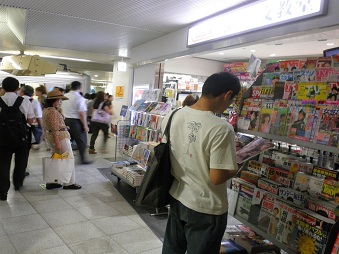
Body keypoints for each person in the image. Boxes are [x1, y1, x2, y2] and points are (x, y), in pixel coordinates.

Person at [161, 72, 241, 254]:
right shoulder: (221, 128)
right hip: (206, 206)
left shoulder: (173, 116)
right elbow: (217, 177)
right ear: (227, 95)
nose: (230, 105)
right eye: (232, 100)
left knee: (172, 250)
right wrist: (236, 166)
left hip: (177, 196)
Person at [0, 77, 34, 200]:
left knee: (3, 165)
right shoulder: (24, 101)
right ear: (17, 88)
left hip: (2, 139)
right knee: (21, 162)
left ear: (3, 87)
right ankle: (18, 184)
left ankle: (3, 191)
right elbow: (30, 120)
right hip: (21, 138)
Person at [42, 90, 81, 190]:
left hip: (53, 137)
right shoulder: (52, 112)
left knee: (56, 159)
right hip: (60, 137)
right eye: (59, 99)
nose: (60, 101)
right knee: (68, 158)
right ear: (54, 100)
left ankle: (53, 181)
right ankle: (69, 183)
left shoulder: (47, 110)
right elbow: (55, 128)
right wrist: (57, 142)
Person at [61, 81, 91, 164]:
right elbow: (82, 113)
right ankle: (83, 159)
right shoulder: (79, 98)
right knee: (82, 141)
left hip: (65, 121)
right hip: (76, 122)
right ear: (80, 88)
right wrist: (85, 126)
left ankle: (64, 157)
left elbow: (60, 108)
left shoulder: (64, 96)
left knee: (67, 141)